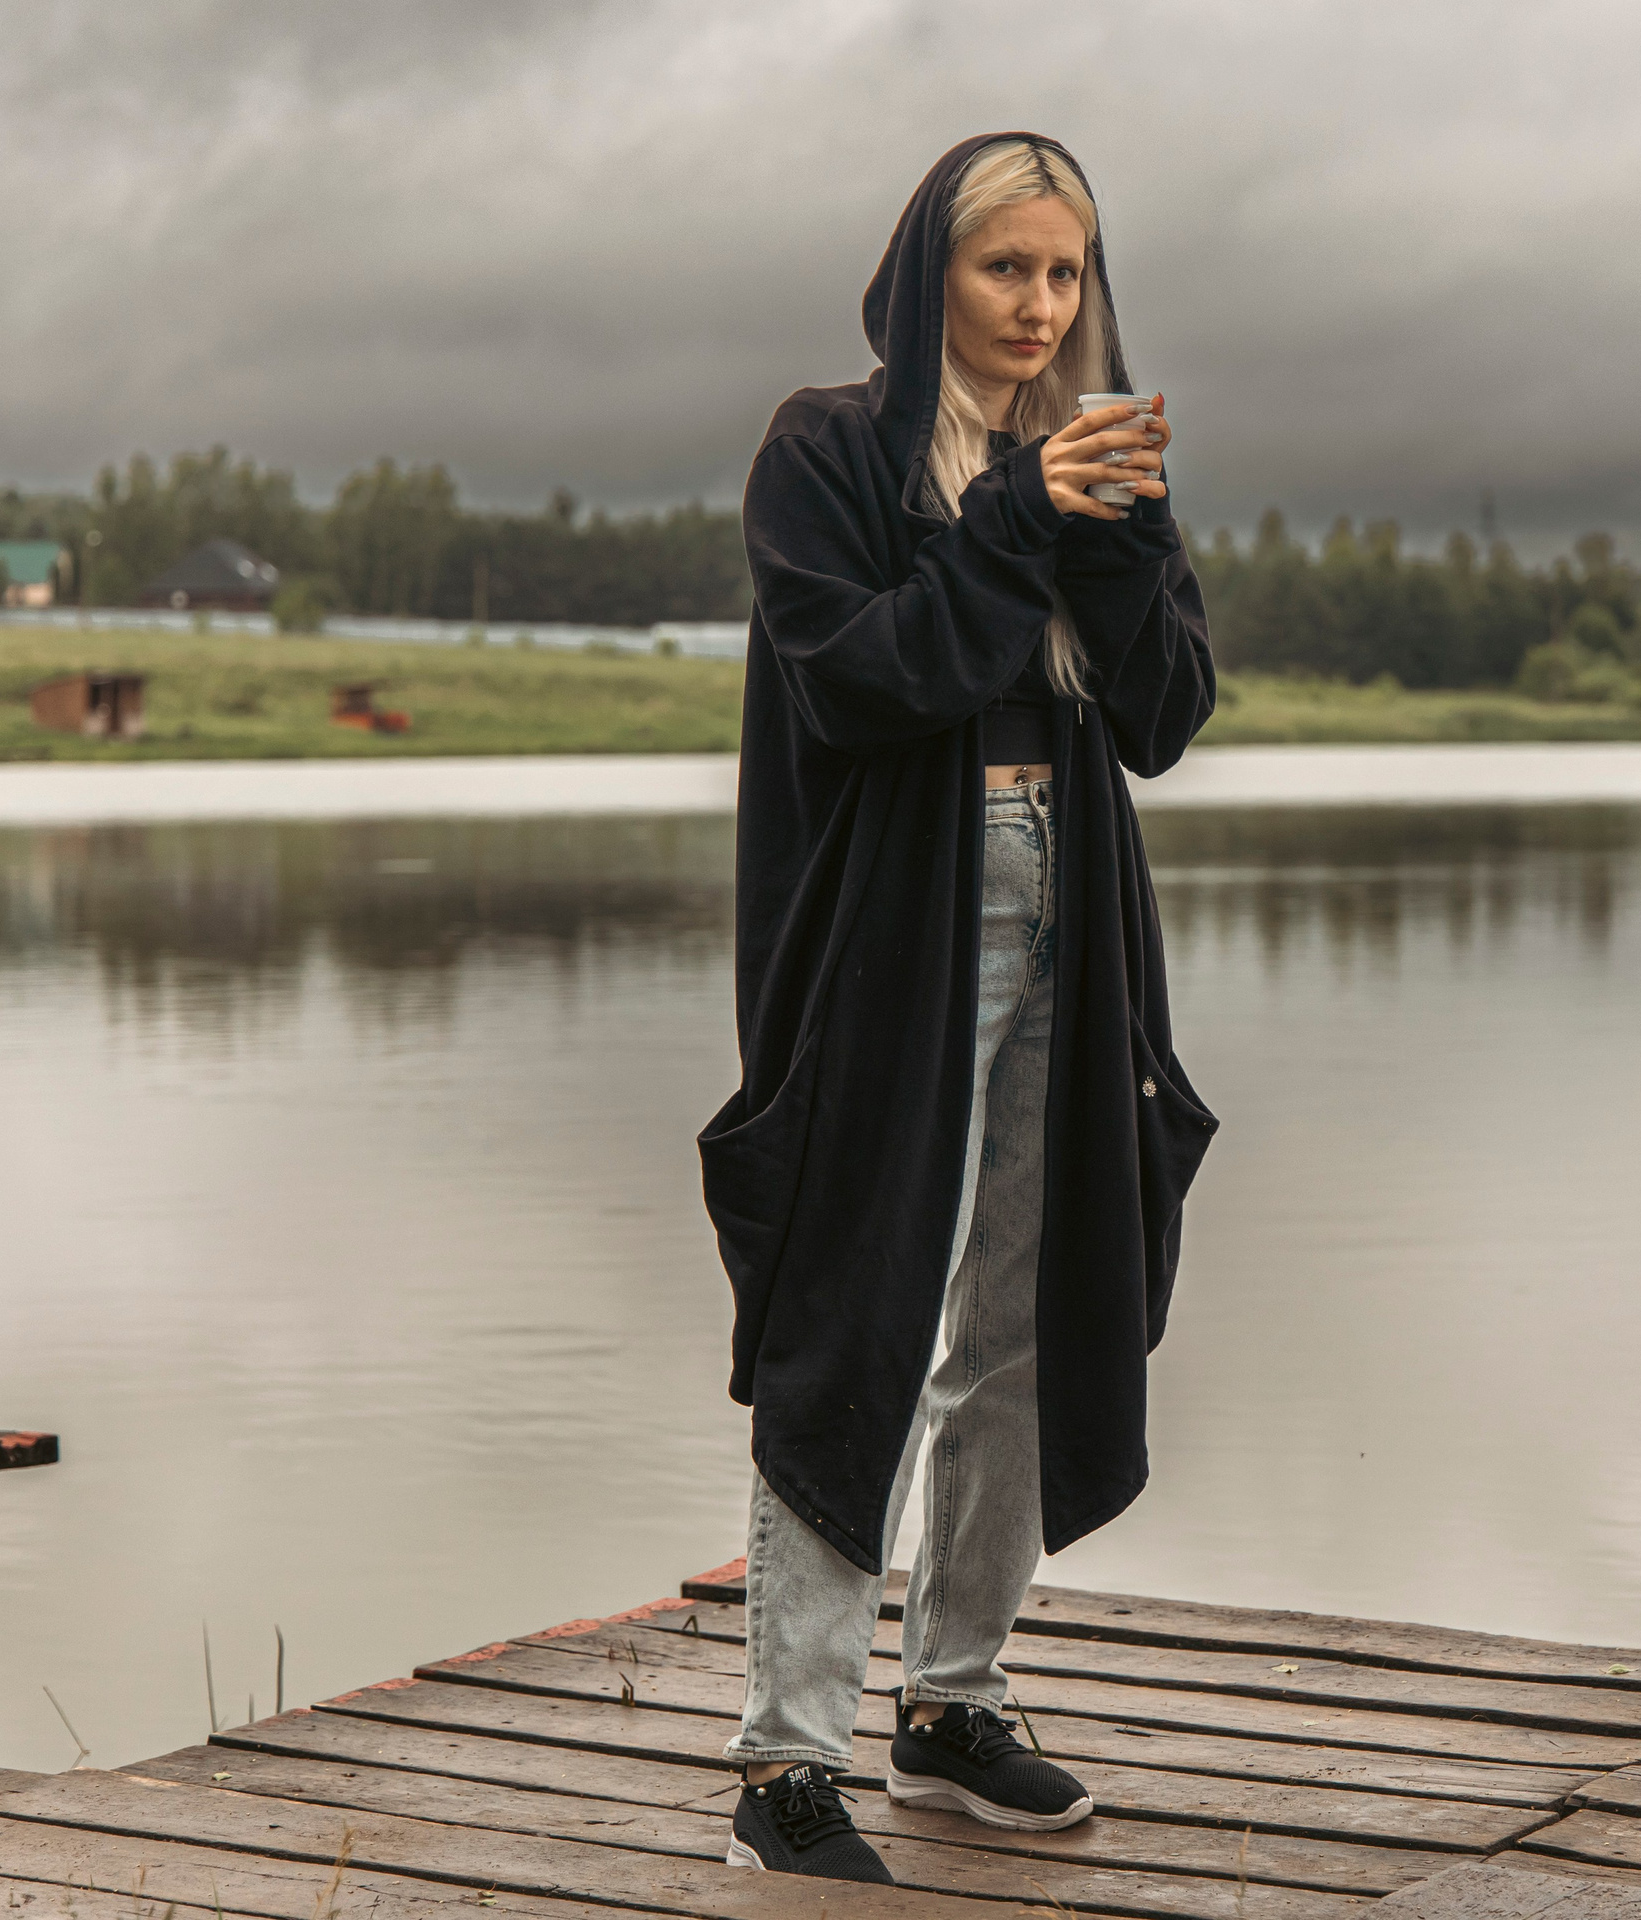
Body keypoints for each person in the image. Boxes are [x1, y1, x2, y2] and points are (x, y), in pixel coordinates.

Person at [697, 133, 1219, 1885]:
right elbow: (862, 682)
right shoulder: (825, 450)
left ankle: (955, 1697)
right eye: (1009, 270)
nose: (1041, 307)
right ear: (933, 273)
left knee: (1021, 1318)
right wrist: (1017, 517)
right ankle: (786, 1763)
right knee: (857, 1316)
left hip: (1072, 911)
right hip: (894, 934)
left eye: (1067, 274)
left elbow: (1158, 717)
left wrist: (1122, 539)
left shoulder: (1078, 462)